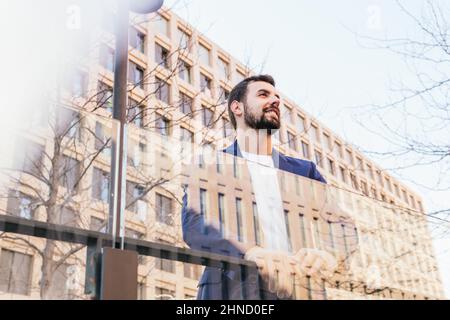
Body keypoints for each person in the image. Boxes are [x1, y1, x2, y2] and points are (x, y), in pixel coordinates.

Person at [182, 75, 336, 300]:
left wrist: (327, 254)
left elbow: (341, 226)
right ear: (237, 107)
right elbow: (195, 226)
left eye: (277, 97)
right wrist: (249, 252)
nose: (275, 101)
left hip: (300, 291)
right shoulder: (209, 165)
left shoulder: (305, 171)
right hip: (229, 292)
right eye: (263, 95)